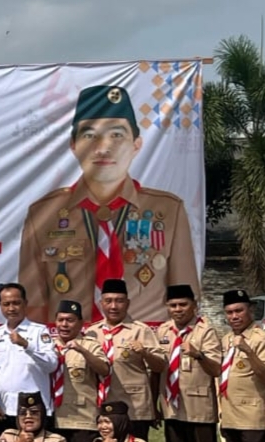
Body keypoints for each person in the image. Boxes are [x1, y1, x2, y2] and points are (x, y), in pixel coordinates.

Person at [19, 83, 199, 325]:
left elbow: (185, 294)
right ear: (73, 145)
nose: (103, 148)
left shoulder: (167, 210)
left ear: (136, 145)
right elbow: (33, 302)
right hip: (73, 341)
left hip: (144, 340)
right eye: (89, 135)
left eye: (116, 135)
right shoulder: (43, 214)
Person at [155, 284, 224, 442]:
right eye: (173, 305)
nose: (178, 309)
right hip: (172, 407)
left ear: (194, 306)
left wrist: (198, 355)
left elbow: (216, 369)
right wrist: (155, 403)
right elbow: (157, 370)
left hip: (199, 407)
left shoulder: (206, 331)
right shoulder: (163, 331)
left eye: (183, 304)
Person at [0, 283, 59, 442]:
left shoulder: (39, 332)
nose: (11, 308)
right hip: (6, 411)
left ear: (25, 303)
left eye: (16, 303)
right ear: (0, 306)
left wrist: (27, 345)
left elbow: (51, 364)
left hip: (35, 412)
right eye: (6, 304)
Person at [49, 300, 110, 442]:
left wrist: (82, 350)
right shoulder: (48, 345)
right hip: (55, 418)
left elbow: (104, 370)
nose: (65, 325)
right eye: (61, 320)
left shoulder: (90, 345)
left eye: (70, 320)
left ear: (80, 323)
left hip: (84, 418)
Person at [85, 279, 166, 439]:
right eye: (108, 301)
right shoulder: (92, 332)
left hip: (133, 407)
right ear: (101, 303)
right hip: (102, 405)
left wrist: (145, 353)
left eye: (119, 301)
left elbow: (160, 366)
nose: (114, 306)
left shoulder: (140, 331)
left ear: (128, 303)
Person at [219, 289, 265, 442]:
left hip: (254, 416)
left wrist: (248, 350)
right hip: (230, 416)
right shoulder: (227, 339)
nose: (234, 316)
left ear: (250, 310)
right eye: (229, 312)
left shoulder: (259, 338)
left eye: (239, 310)